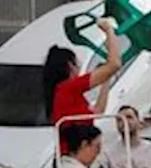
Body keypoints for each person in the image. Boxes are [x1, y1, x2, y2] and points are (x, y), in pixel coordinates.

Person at [44, 19, 123, 151]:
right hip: (73, 156)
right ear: (70, 66)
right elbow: (114, 64)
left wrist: (106, 79)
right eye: (77, 62)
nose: (80, 66)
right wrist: (109, 31)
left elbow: (98, 111)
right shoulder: (69, 87)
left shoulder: (64, 92)